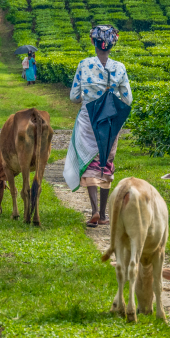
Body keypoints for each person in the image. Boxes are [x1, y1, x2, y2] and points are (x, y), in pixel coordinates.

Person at [64, 25, 132, 227]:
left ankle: (93, 210)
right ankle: (103, 214)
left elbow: (74, 97)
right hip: (110, 121)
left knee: (89, 159)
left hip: (88, 119)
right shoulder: (119, 68)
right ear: (112, 45)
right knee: (105, 162)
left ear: (94, 43)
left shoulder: (84, 65)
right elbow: (127, 100)